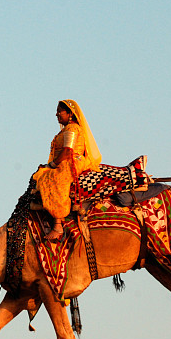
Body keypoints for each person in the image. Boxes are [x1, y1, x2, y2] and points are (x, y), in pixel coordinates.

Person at [32, 99, 102, 240]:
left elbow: (67, 152)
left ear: (70, 113)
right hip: (65, 160)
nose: (56, 114)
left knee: (53, 178)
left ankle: (57, 224)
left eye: (59, 111)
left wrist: (51, 165)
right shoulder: (66, 129)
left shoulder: (72, 129)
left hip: (71, 161)